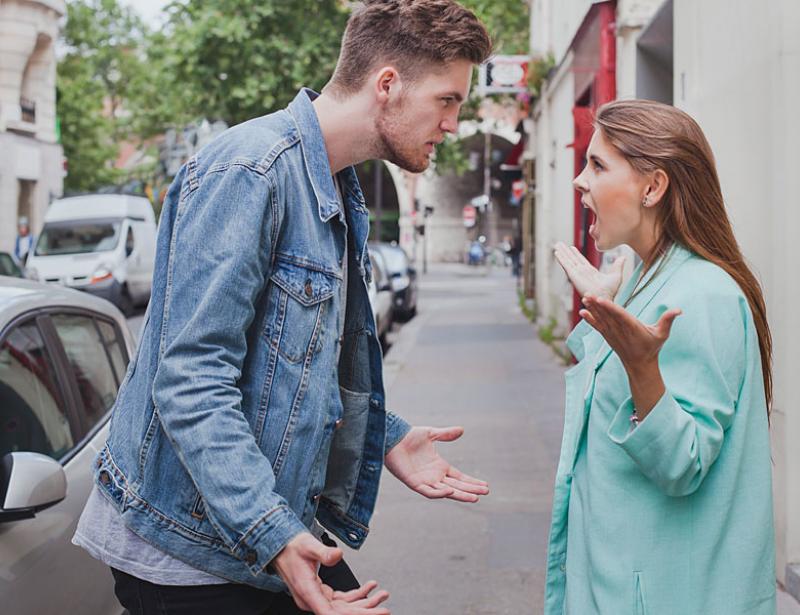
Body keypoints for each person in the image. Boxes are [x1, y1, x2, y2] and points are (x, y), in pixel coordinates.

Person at [72, 2, 492, 614]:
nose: (453, 122)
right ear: (387, 85)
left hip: (254, 523)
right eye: (448, 99)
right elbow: (190, 381)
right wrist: (274, 534)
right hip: (186, 551)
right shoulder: (250, 171)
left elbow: (293, 368)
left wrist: (384, 436)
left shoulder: (333, 182)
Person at [546, 99, 775, 614]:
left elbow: (682, 462)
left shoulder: (701, 293)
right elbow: (605, 400)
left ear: (653, 187)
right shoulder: (649, 277)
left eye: (598, 165)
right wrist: (605, 307)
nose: (580, 182)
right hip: (623, 582)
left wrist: (643, 366)